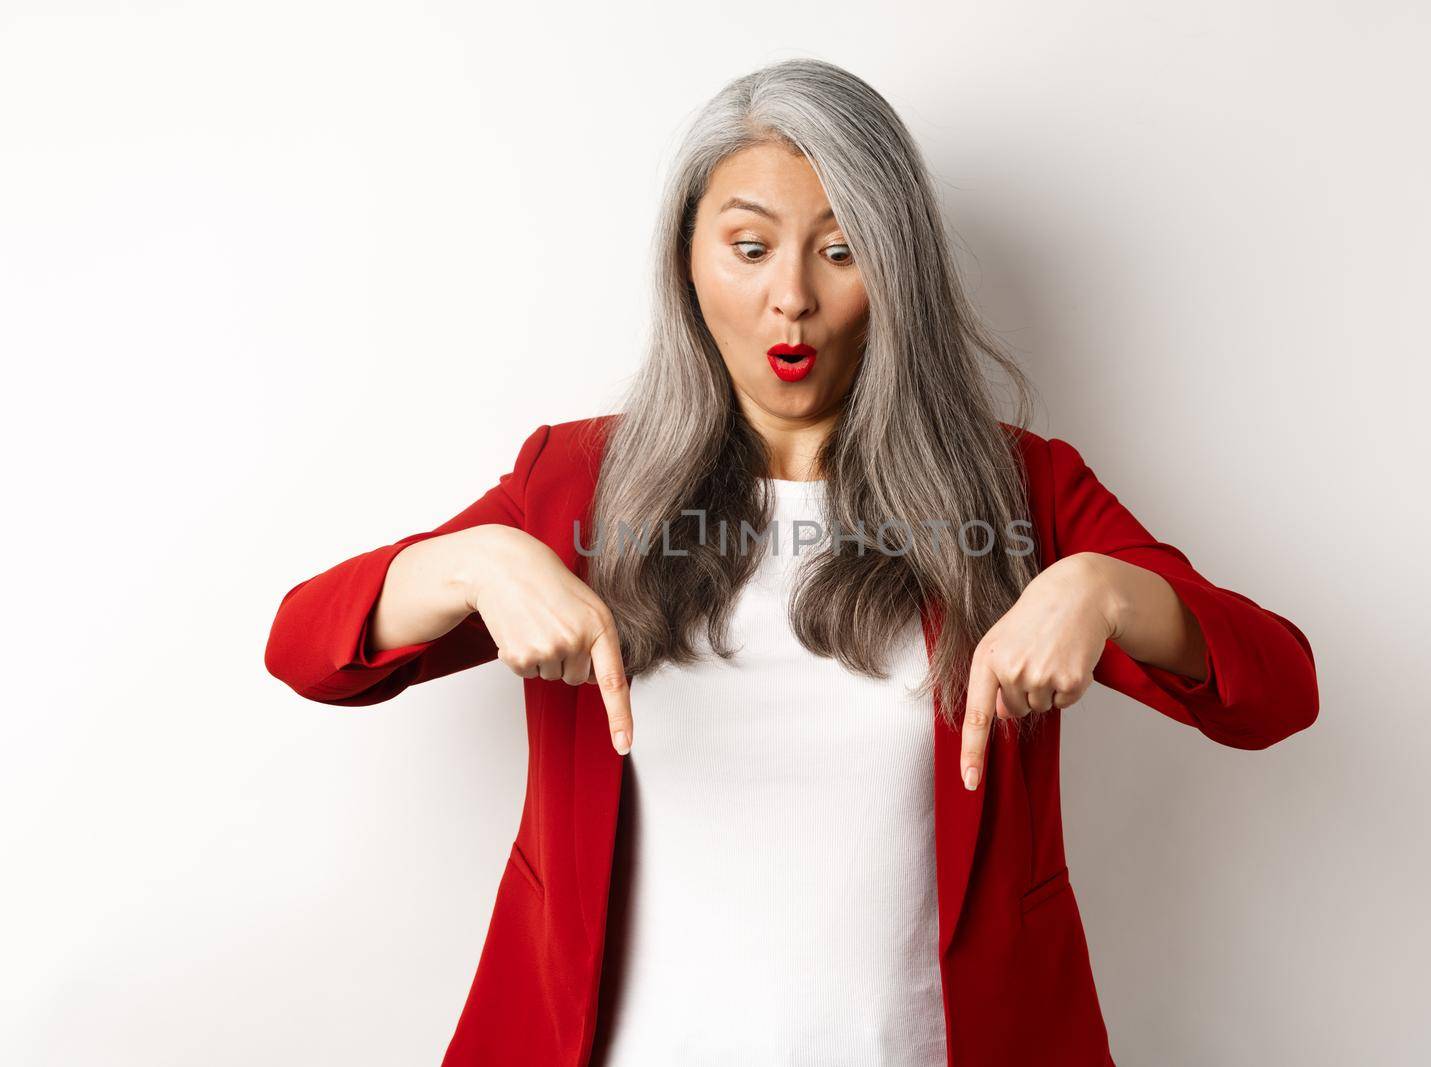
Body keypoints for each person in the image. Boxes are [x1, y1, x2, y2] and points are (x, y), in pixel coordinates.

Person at [264, 58, 1318, 1067]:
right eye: (751, 246)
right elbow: (305, 649)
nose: (793, 300)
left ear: (895, 269)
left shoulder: (1017, 491)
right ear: (688, 260)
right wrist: (472, 563)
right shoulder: (577, 484)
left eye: (841, 248)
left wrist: (1107, 589)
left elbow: (1277, 689)